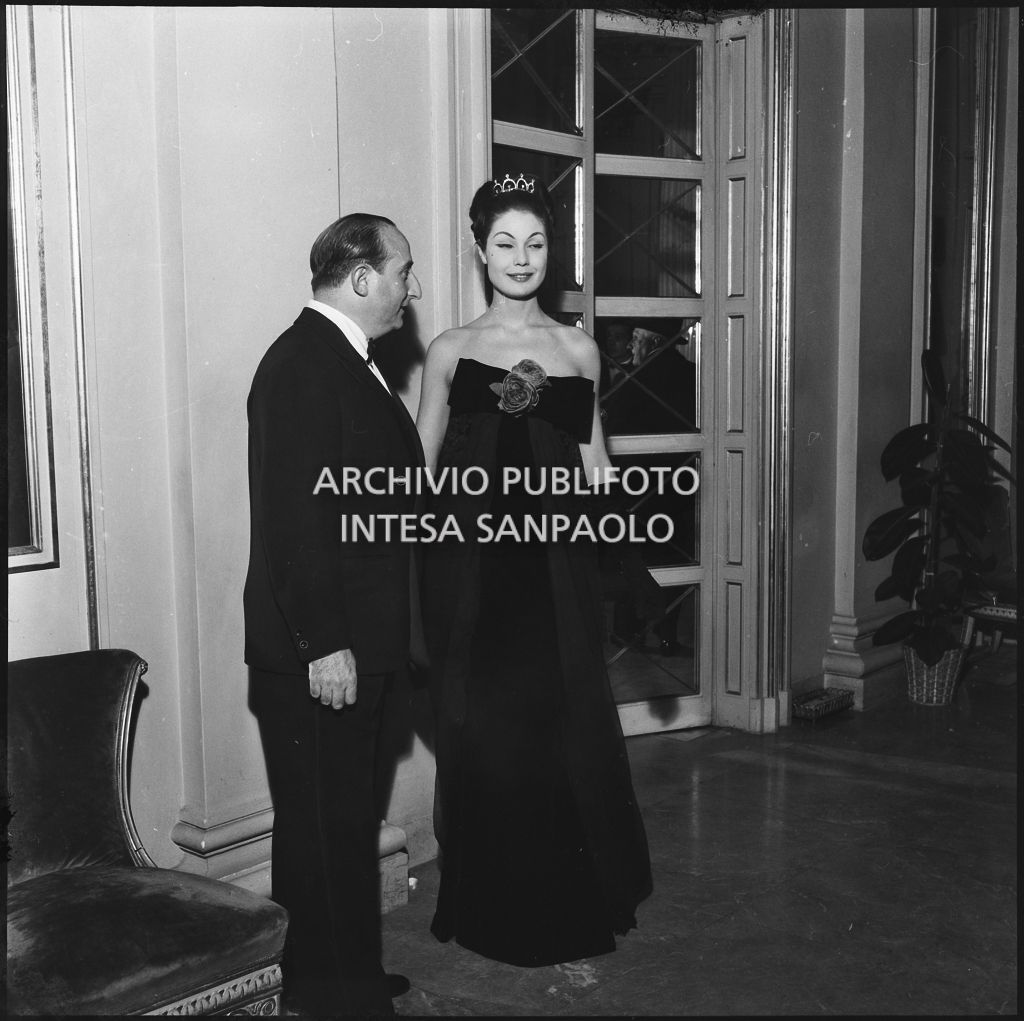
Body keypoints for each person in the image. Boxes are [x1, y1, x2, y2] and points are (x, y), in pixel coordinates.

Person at [416, 174, 652, 968]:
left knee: (559, 733)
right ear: (480, 250)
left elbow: (596, 465)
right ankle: (488, 905)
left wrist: (622, 545)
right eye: (505, 243)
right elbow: (420, 474)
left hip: (555, 577)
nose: (521, 258)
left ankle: (564, 906)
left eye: (537, 243)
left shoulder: (578, 347)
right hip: (477, 581)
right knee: (486, 738)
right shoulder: (449, 349)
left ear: (553, 253)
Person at [243, 213, 423, 1015]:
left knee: (341, 827)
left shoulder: (347, 361)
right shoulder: (301, 366)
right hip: (323, 651)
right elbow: (294, 521)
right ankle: (328, 997)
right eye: (401, 273)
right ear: (360, 278)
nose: (408, 291)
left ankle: (341, 974)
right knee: (321, 833)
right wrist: (327, 644)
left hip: (359, 642)